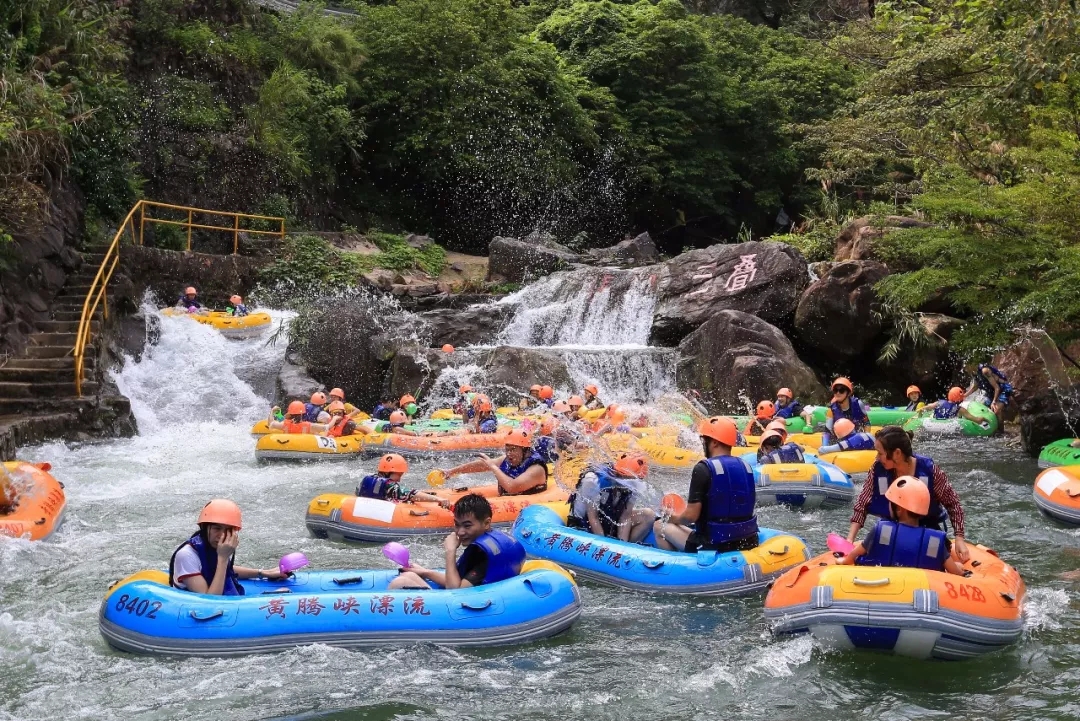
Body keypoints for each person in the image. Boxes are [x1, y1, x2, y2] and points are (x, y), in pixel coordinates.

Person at [847, 425, 970, 562]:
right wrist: (850, 539)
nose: (877, 458)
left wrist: (959, 538)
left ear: (897, 453)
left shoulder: (930, 470)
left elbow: (953, 504)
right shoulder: (877, 469)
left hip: (925, 532)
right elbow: (862, 504)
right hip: (891, 532)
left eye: (880, 453)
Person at [653, 416, 758, 553]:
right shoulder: (746, 466)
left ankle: (677, 564)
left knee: (659, 525)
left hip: (713, 544)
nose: (703, 445)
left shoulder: (703, 469)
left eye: (705, 441)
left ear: (714, 443)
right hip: (747, 540)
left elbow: (690, 517)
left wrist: (671, 517)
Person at [388, 493, 526, 590]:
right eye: (457, 524)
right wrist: (425, 572)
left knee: (400, 582)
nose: (460, 532)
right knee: (410, 575)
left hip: (469, 609)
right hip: (482, 594)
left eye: (467, 526)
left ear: (486, 523)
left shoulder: (482, 553)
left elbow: (455, 591)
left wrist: (450, 551)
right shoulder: (494, 540)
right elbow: (460, 581)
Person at [840, 476, 966, 575]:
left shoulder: (881, 531)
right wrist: (959, 568)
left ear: (899, 509)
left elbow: (851, 557)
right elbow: (954, 572)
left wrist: (842, 560)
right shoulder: (933, 541)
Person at [168, 499, 287, 596]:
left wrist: (264, 573)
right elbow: (210, 600)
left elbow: (226, 570)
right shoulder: (186, 555)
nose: (222, 535)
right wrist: (223, 558)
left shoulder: (212, 546)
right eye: (217, 528)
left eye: (228, 530)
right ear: (204, 528)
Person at [567, 453, 655, 543]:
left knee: (648, 515)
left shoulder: (635, 482)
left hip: (609, 522)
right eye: (627, 479)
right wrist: (605, 545)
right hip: (583, 524)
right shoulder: (593, 480)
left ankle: (630, 546)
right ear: (618, 473)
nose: (630, 483)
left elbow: (625, 516)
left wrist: (622, 544)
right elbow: (593, 517)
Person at [439, 429, 549, 495]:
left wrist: (494, 467)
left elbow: (512, 488)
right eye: (507, 449)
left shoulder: (536, 469)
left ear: (525, 450)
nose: (509, 453)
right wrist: (452, 471)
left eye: (513, 450)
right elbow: (481, 465)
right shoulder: (509, 459)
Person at [356, 454, 447, 505]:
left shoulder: (368, 479)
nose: (399, 480)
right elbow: (412, 494)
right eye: (399, 475)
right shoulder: (390, 486)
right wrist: (438, 499)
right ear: (389, 472)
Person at [964, 363, 1013, 429]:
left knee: (996, 409)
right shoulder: (974, 372)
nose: (965, 369)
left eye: (966, 366)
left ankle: (1001, 431)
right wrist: (964, 395)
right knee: (982, 406)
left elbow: (997, 388)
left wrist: (994, 401)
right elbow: (975, 386)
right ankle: (988, 428)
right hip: (991, 392)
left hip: (1003, 389)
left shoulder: (985, 371)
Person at [918, 387, 988, 426]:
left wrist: (921, 412)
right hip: (949, 427)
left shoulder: (938, 403)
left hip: (934, 424)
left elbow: (926, 408)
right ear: (960, 399)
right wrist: (984, 418)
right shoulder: (960, 409)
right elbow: (976, 420)